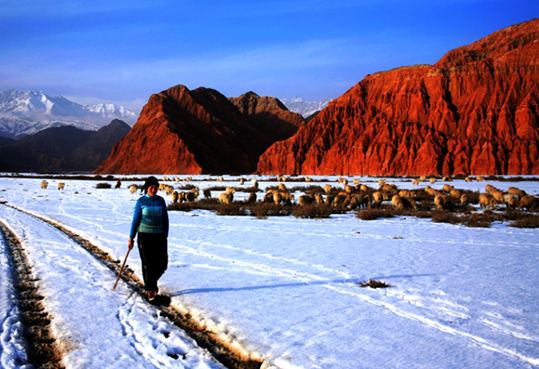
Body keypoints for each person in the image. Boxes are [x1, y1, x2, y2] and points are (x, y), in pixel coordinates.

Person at [128, 176, 169, 301]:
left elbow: (165, 219)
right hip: (144, 236)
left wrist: (165, 234)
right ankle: (151, 289)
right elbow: (136, 220)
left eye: (156, 188)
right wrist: (131, 237)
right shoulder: (141, 201)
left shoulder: (161, 201)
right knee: (148, 263)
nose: (154, 190)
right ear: (147, 188)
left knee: (162, 264)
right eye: (151, 187)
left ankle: (151, 282)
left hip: (159, 235)